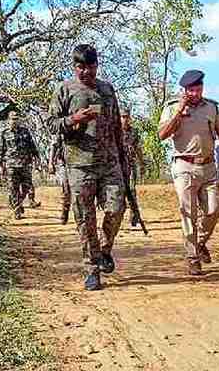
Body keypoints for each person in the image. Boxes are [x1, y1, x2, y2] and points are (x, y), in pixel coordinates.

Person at [48, 44, 128, 291]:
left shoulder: (107, 89)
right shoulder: (64, 89)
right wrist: (74, 119)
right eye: (81, 67)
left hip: (110, 162)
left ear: (97, 66)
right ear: (74, 67)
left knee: (116, 208)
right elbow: (51, 124)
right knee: (85, 218)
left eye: (91, 67)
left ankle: (104, 249)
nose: (86, 72)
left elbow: (116, 126)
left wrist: (123, 158)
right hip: (79, 165)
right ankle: (91, 268)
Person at [158, 70, 219, 276]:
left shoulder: (211, 107)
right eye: (191, 90)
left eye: (198, 89)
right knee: (189, 212)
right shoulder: (172, 107)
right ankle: (192, 256)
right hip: (184, 166)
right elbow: (162, 134)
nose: (195, 94)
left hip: (209, 166)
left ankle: (200, 242)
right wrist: (179, 111)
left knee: (214, 209)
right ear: (184, 90)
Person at [0, 111, 41, 219]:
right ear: (8, 120)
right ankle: (16, 210)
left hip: (25, 163)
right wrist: (1, 166)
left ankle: (19, 202)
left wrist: (37, 159)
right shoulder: (4, 133)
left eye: (16, 119)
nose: (15, 121)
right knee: (13, 188)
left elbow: (32, 146)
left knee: (27, 187)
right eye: (13, 119)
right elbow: (0, 151)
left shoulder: (25, 131)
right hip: (11, 164)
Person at [120, 105, 145, 227]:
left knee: (131, 190)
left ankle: (134, 216)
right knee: (119, 191)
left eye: (126, 117)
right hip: (118, 166)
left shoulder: (134, 132)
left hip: (130, 165)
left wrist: (142, 163)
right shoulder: (114, 131)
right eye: (122, 117)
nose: (124, 119)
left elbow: (138, 148)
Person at [48, 133, 71, 225]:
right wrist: (50, 163)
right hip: (65, 164)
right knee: (66, 189)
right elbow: (54, 146)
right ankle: (65, 212)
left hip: (82, 164)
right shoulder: (62, 128)